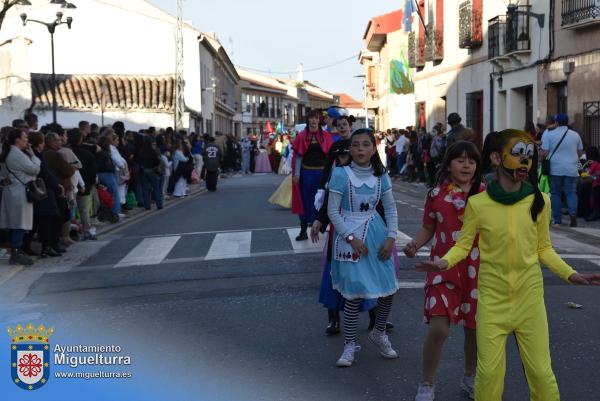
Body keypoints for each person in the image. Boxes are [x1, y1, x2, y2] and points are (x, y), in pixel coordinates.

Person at [418, 129, 600, 401]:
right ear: (495, 158)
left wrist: (570, 274)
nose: (524, 161)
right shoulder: (478, 204)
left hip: (530, 300)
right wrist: (444, 262)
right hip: (492, 301)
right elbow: (464, 245)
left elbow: (544, 249)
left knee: (540, 373)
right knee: (489, 375)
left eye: (529, 156)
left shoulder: (541, 201)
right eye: (517, 154)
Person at [405, 141, 484, 401]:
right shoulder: (435, 194)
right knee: (439, 328)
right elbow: (428, 227)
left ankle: (470, 377)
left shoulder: (485, 193)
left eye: (471, 161)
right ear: (448, 163)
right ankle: (427, 383)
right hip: (442, 268)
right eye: (460, 160)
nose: (466, 165)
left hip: (478, 269)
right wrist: (415, 244)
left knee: (474, 329)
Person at [327, 128, 399, 367]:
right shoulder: (340, 174)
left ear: (373, 148)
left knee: (388, 289)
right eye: (356, 145)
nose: (360, 149)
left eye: (366, 145)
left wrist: (391, 238)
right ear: (351, 148)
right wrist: (351, 238)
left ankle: (379, 331)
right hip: (350, 236)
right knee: (354, 294)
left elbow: (390, 209)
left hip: (377, 235)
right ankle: (349, 345)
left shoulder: (381, 175)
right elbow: (332, 212)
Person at [0, 129, 41, 265]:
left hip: (14, 191)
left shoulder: (10, 153)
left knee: (17, 223)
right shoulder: (17, 154)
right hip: (19, 193)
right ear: (17, 139)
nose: (27, 140)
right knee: (19, 224)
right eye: (25, 137)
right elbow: (34, 169)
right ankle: (16, 253)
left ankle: (16, 251)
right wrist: (33, 156)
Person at [292, 110, 333, 241]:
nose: (314, 120)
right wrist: (297, 174)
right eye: (311, 118)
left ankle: (328, 229)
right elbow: (298, 156)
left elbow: (331, 157)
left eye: (316, 118)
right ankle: (303, 231)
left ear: (319, 120)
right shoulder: (301, 136)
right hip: (306, 173)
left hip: (322, 174)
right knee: (305, 201)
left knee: (326, 201)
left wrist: (333, 174)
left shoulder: (326, 136)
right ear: (308, 120)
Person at [540, 113, 584, 227]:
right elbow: (580, 153)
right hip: (571, 169)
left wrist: (541, 156)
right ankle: (573, 214)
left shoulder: (550, 134)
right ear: (567, 122)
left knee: (555, 193)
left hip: (555, 169)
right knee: (571, 192)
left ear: (556, 122)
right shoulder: (575, 135)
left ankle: (557, 220)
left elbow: (544, 153)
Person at [30, 131, 63, 257]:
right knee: (46, 220)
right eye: (42, 142)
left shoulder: (38, 154)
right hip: (43, 190)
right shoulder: (36, 155)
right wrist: (57, 185)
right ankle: (46, 247)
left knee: (44, 220)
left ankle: (47, 246)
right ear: (39, 143)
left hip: (43, 189)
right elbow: (43, 172)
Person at [139, 139, 163, 210]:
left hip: (144, 171)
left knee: (145, 189)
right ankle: (159, 204)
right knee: (156, 188)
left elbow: (138, 161)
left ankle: (147, 206)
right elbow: (157, 161)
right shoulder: (153, 152)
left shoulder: (141, 152)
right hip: (152, 170)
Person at [585, 146, 600, 221]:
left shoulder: (595, 163)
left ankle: (595, 212)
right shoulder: (595, 162)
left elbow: (588, 174)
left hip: (596, 184)